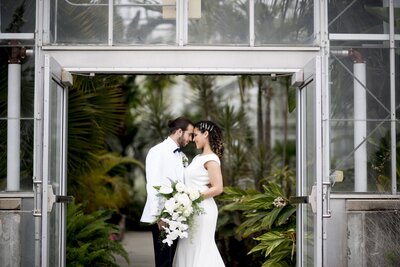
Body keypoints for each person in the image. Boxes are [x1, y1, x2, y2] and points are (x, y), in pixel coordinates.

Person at [140, 117, 194, 267]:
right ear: (179, 132)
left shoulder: (182, 156)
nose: (191, 139)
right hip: (163, 216)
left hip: (179, 215)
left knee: (172, 260)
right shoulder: (157, 151)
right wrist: (160, 216)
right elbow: (153, 184)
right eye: (189, 134)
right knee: (163, 261)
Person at [174, 120, 225, 267]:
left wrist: (192, 198)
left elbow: (218, 187)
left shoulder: (212, 159)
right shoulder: (197, 158)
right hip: (191, 209)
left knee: (201, 245)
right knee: (188, 246)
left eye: (195, 135)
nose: (193, 139)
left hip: (202, 210)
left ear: (206, 134)